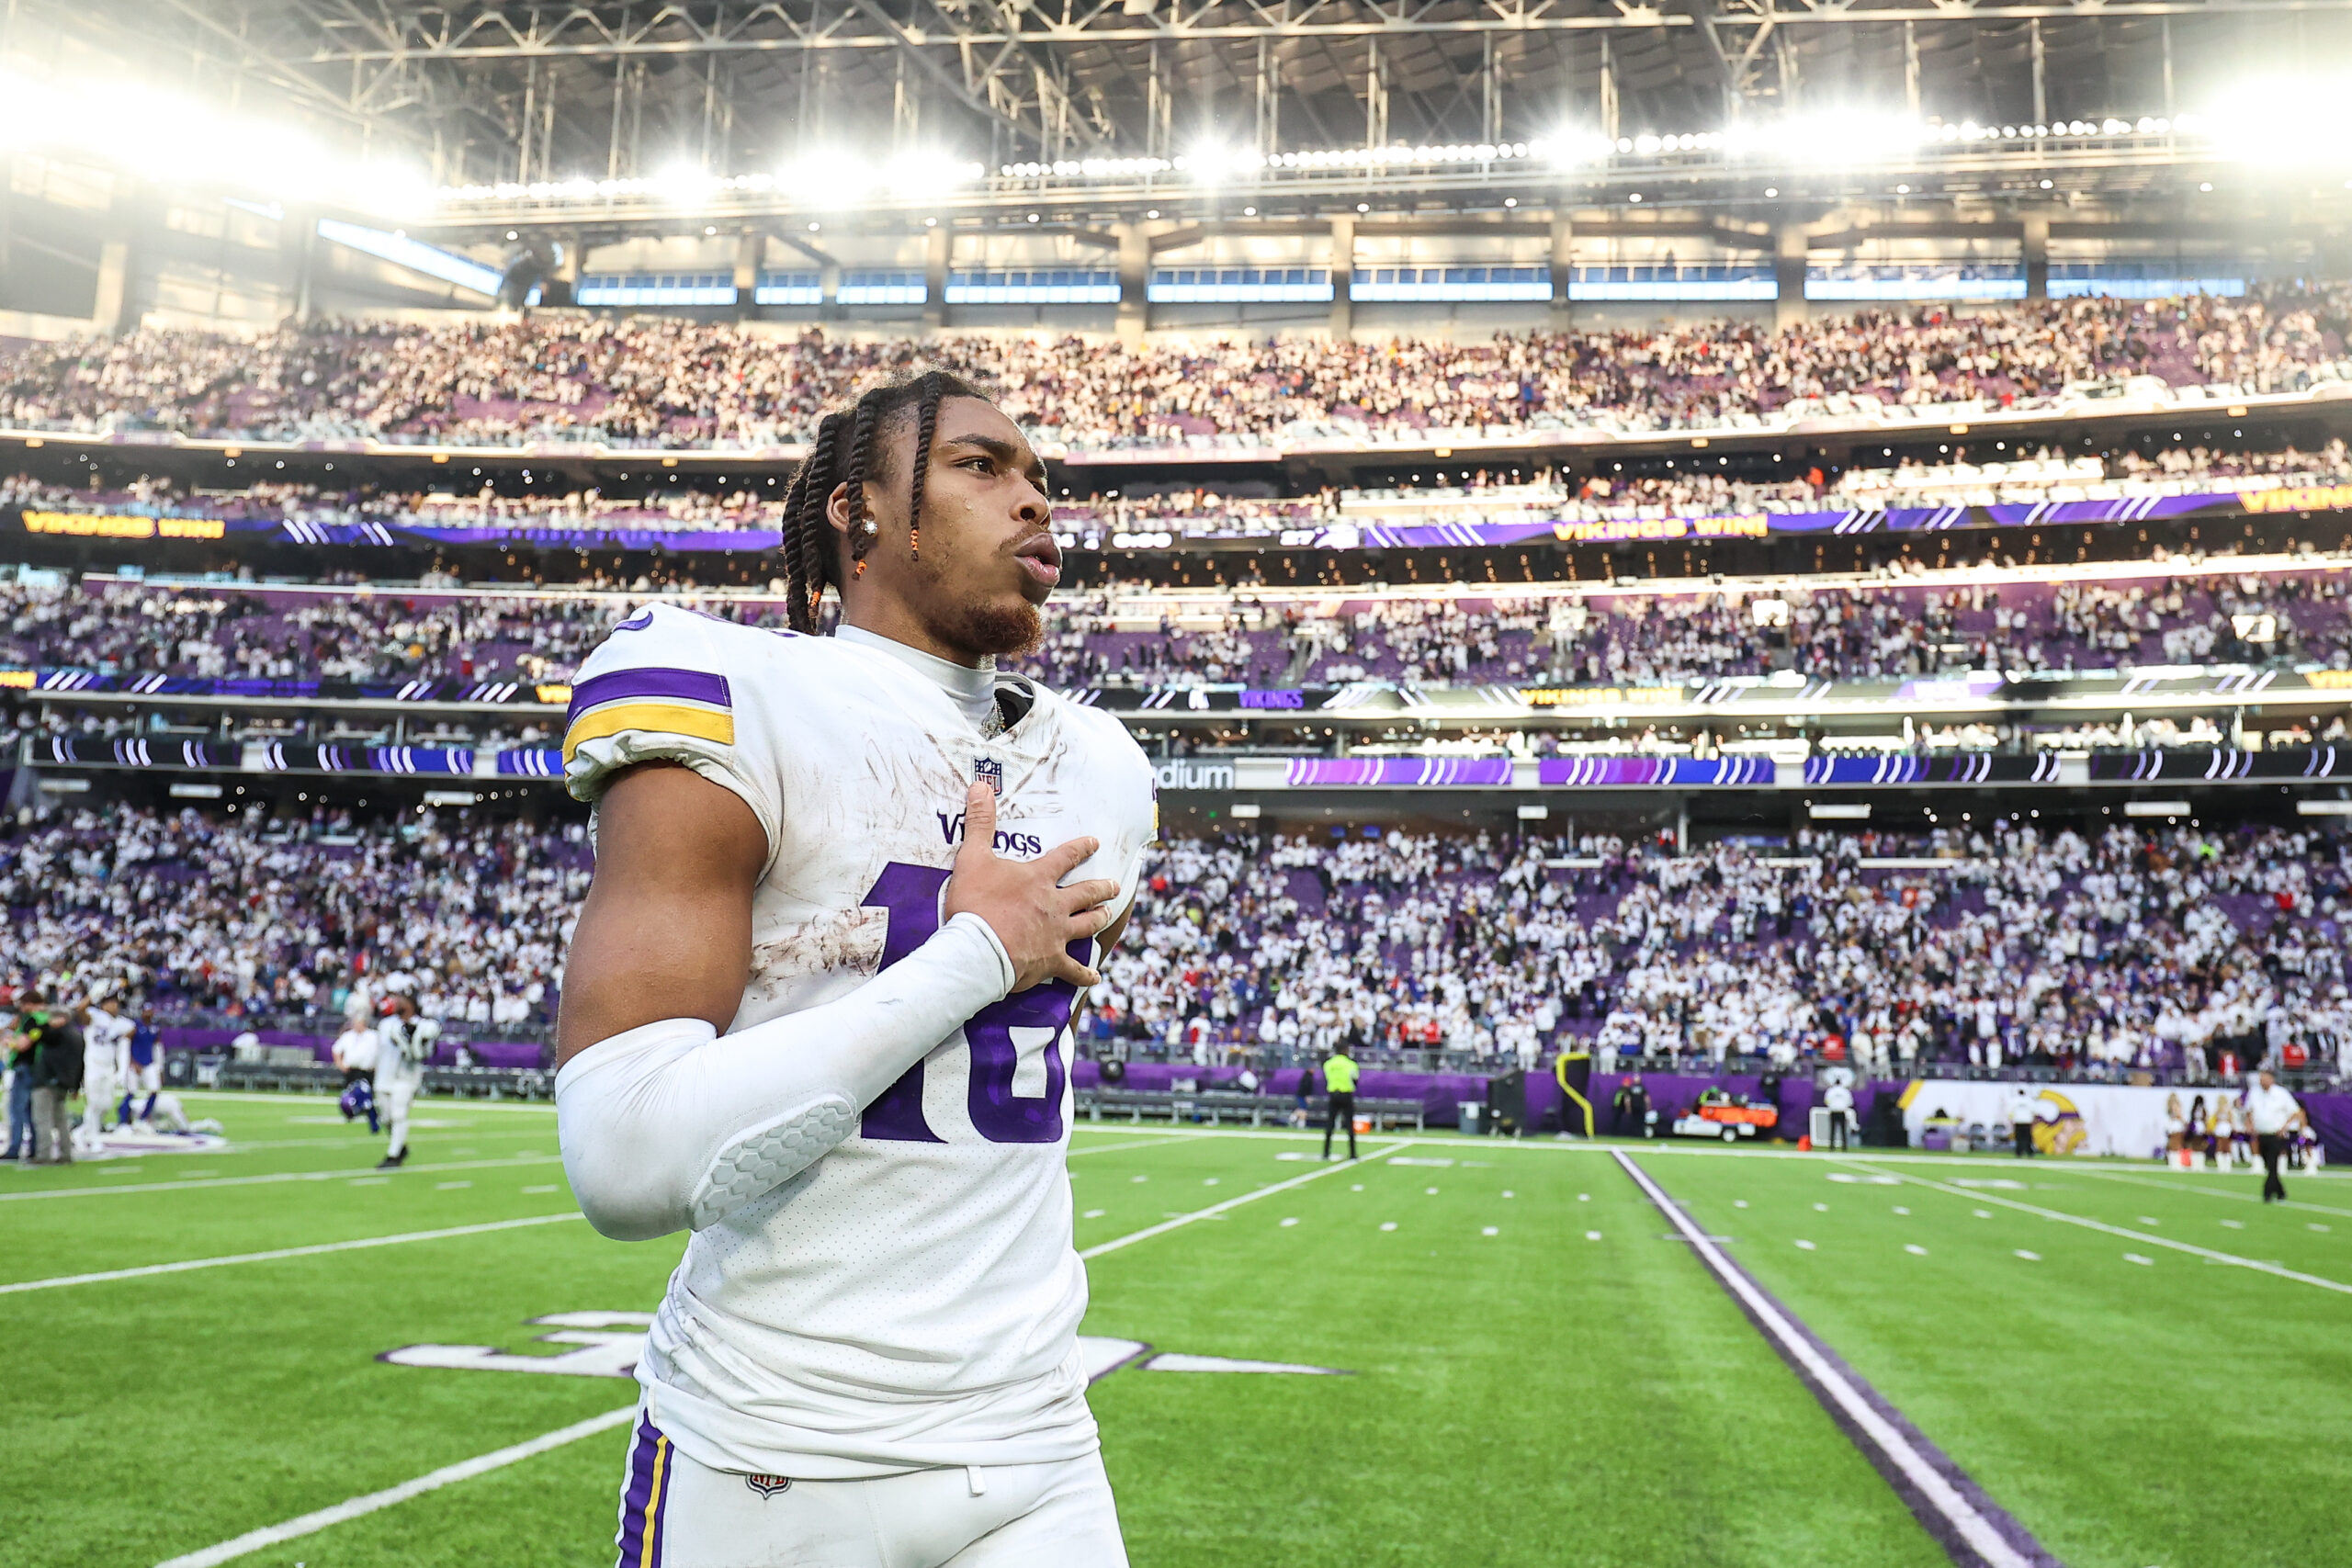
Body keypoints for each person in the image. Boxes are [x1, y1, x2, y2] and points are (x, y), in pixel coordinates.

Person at [554, 373, 1153, 1567]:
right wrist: (975, 950)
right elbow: (623, 1158)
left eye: (1040, 476)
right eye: (980, 466)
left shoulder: (1101, 764)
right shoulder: (740, 689)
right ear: (860, 511)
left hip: (1033, 1444)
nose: (1033, 498)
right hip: (771, 1446)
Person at [374, 995, 438, 1170]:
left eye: (401, 1002)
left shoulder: (423, 1025)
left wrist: (417, 1040)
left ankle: (393, 1155)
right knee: (386, 1117)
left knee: (399, 1115)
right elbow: (380, 1049)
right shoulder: (386, 1024)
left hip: (406, 1077)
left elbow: (426, 1052)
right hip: (384, 1076)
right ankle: (400, 1147)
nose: (397, 1004)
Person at [28, 1001, 82, 1165]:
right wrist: (76, 1085)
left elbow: (39, 1035)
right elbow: (81, 1063)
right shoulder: (76, 1035)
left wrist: (42, 1021)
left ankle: (44, 1154)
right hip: (64, 1083)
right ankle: (66, 1154)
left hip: (48, 1081)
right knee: (61, 1121)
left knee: (42, 1119)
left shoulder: (58, 1034)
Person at [2245, 1069, 2310, 1203]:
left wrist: (2284, 1126)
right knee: (2268, 1164)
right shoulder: (2254, 1093)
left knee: (2273, 1163)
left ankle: (2267, 1193)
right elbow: (2249, 1110)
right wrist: (2250, 1124)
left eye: (2265, 1078)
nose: (2262, 1081)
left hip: (2276, 1134)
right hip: (2261, 1134)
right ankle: (2280, 1192)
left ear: (2272, 1079)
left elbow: (2296, 1111)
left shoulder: (2281, 1093)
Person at [80, 997, 127, 1145]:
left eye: (116, 1003)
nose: (114, 1006)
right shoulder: (95, 1016)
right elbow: (80, 1011)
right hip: (93, 1064)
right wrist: (92, 995)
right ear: (103, 1005)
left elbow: (128, 1038)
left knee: (106, 1104)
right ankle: (94, 1138)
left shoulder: (121, 1023)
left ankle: (80, 1132)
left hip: (109, 1066)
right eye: (111, 1003)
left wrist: (122, 1070)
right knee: (93, 1103)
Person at [334, 1013, 381, 1134]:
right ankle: (351, 1115)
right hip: (351, 1070)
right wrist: (340, 1064)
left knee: (366, 1097)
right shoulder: (348, 1036)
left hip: (366, 1071)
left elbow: (381, 1052)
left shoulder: (373, 1036)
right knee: (349, 1096)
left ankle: (373, 1121)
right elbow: (336, 1050)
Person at [121, 1005, 163, 1130]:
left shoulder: (155, 1028)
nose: (148, 1014)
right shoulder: (135, 1026)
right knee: (131, 1091)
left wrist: (159, 1067)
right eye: (146, 1011)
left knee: (154, 1090)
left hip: (148, 1063)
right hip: (135, 1064)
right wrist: (131, 1062)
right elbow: (125, 1043)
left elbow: (157, 1047)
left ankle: (143, 1118)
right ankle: (123, 1120)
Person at [3, 1000, 32, 1162]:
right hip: (22, 1071)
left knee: (16, 1110)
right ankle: (29, 1146)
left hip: (21, 1072)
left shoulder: (26, 1028)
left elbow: (20, 1046)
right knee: (25, 1112)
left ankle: (14, 1147)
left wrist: (9, 1042)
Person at [1321, 1042, 1360, 1161]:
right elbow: (1355, 1079)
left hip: (1333, 1094)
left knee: (1330, 1125)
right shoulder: (1351, 1064)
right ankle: (1353, 1153)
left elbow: (1327, 1077)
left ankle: (1326, 1152)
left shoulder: (1328, 1064)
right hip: (1346, 1094)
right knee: (1349, 1125)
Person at [1821, 1074, 1854, 1151]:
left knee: (1832, 1130)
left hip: (1833, 1111)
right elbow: (1850, 1102)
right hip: (1842, 1111)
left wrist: (1831, 1105)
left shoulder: (1830, 1091)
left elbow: (1826, 1101)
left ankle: (1832, 1147)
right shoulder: (1845, 1091)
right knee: (1843, 1130)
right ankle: (1844, 1147)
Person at [2008, 1085, 2038, 1158]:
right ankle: (2029, 1152)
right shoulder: (2029, 1100)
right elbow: (2033, 1112)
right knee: (2028, 1138)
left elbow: (2010, 1112)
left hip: (2018, 1121)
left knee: (2019, 1138)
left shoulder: (2014, 1101)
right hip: (2027, 1122)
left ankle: (2019, 1152)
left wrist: (2011, 1120)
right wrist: (2033, 1121)